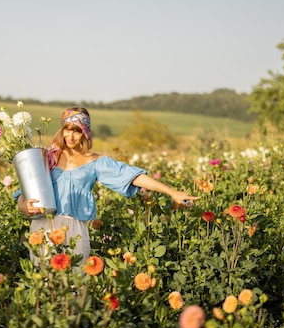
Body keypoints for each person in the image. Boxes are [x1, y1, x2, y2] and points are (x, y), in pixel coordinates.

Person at [17, 106, 200, 264]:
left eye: (77, 130)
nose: (71, 135)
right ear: (61, 129)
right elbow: (25, 189)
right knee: (45, 286)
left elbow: (132, 176)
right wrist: (22, 205)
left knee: (74, 287)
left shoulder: (95, 161)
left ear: (85, 134)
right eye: (67, 129)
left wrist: (172, 192)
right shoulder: (47, 157)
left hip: (74, 229)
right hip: (43, 228)